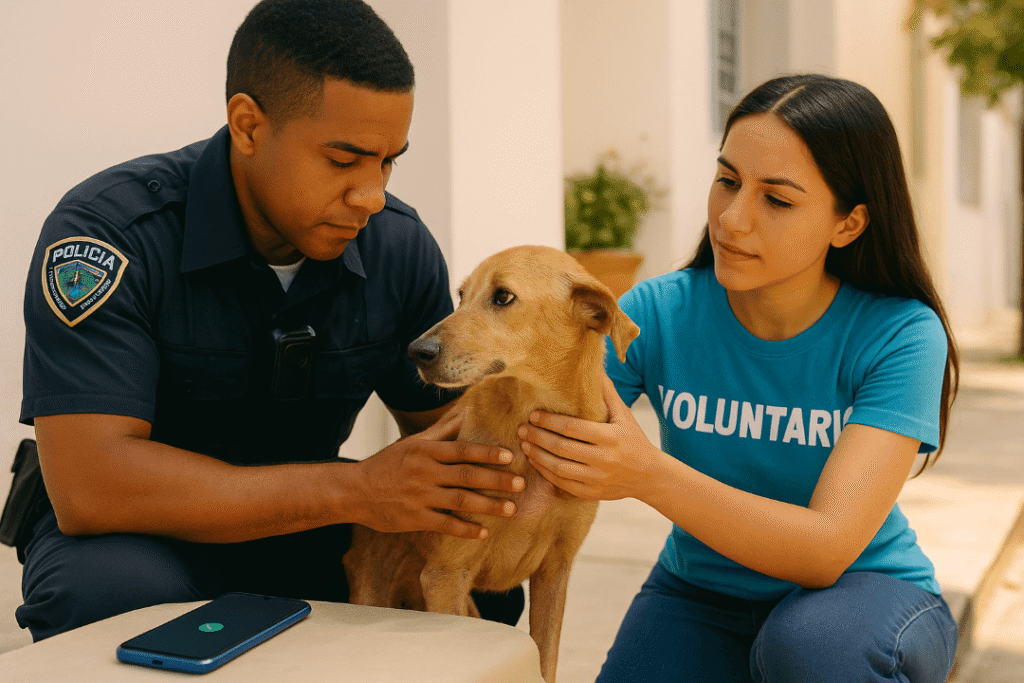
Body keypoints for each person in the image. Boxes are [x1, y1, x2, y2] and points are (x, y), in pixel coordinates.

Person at [15, 0, 525, 642]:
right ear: (248, 125)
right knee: (119, 600)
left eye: (388, 160)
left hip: (304, 525)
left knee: (482, 586)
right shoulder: (111, 234)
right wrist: (357, 488)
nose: (371, 194)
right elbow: (91, 486)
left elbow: (457, 436)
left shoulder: (397, 247)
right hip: (138, 536)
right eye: (343, 161)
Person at [518, 74, 961, 683]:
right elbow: (542, 428)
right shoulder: (658, 314)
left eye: (776, 200)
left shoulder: (899, 334)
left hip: (867, 595)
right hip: (700, 591)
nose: (732, 218)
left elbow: (826, 549)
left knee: (809, 647)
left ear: (848, 224)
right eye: (727, 181)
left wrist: (645, 473)